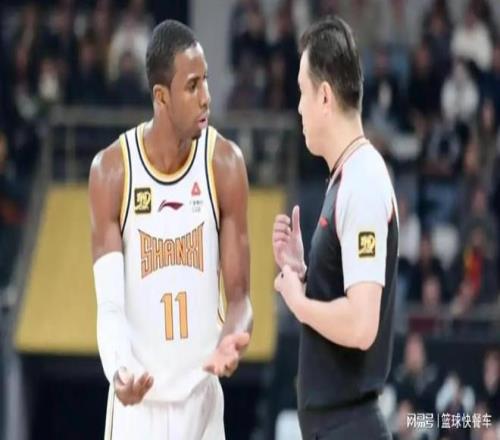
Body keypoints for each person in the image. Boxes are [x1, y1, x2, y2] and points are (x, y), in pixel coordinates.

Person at [89, 20, 253, 439]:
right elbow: (110, 306)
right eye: (192, 86)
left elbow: (240, 298)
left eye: (206, 81)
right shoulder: (112, 170)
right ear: (161, 96)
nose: (206, 97)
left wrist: (233, 338)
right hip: (138, 406)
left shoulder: (224, 164)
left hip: (201, 401)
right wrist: (119, 371)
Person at [272, 16, 398, 440]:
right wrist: (306, 276)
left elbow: (361, 325)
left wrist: (297, 302)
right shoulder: (347, 177)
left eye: (301, 92)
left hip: (350, 426)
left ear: (324, 96)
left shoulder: (362, 180)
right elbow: (344, 301)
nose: (299, 108)